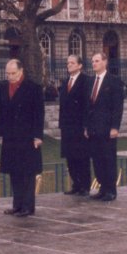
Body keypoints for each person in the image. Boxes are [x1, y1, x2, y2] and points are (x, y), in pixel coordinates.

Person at [0, 59, 44, 217]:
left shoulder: (33, 88)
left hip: (27, 136)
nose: (10, 76)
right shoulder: (4, 88)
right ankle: (17, 205)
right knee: (14, 171)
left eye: (13, 73)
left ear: (21, 71)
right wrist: (1, 134)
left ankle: (27, 206)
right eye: (8, 74)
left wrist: (38, 136)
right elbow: (1, 112)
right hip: (10, 137)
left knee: (27, 172)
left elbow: (39, 113)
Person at [84, 52, 124, 202]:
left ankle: (110, 190)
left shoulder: (114, 81)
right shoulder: (90, 82)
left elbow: (117, 107)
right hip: (93, 129)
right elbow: (88, 107)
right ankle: (102, 188)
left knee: (108, 159)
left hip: (107, 129)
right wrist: (86, 127)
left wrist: (115, 127)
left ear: (105, 62)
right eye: (92, 61)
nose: (94, 63)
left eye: (97, 61)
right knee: (97, 160)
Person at [58, 54, 90, 196]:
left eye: (72, 63)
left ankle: (84, 185)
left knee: (81, 156)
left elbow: (87, 105)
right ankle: (76, 184)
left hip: (79, 126)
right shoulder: (65, 82)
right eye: (67, 63)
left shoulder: (85, 81)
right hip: (67, 126)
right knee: (70, 156)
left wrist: (86, 125)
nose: (69, 65)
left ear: (79, 65)